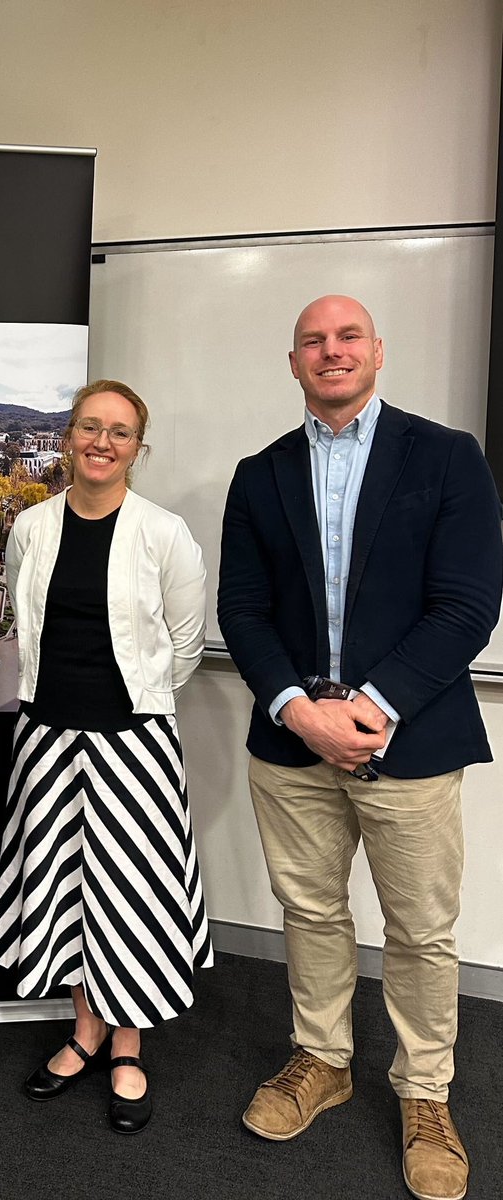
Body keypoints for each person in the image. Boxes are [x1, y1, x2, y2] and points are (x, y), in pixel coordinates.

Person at [217, 295, 502, 1200]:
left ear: (376, 351)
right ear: (291, 360)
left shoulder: (448, 457)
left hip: (409, 740)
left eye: (346, 337)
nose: (329, 351)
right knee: (311, 912)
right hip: (290, 742)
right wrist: (300, 709)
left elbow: (465, 605)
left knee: (420, 929)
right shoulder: (259, 474)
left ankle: (424, 1095)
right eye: (312, 340)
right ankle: (322, 1059)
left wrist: (370, 708)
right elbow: (243, 611)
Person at [0, 379, 212, 1135]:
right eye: (89, 427)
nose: (101, 442)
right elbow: (22, 621)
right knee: (67, 894)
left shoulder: (164, 533)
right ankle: (81, 1031)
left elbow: (182, 647)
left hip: (134, 743)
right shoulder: (32, 527)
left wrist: (129, 704)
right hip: (46, 736)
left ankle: (125, 1045)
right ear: (69, 435)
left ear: (136, 449)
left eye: (119, 432)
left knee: (129, 896)